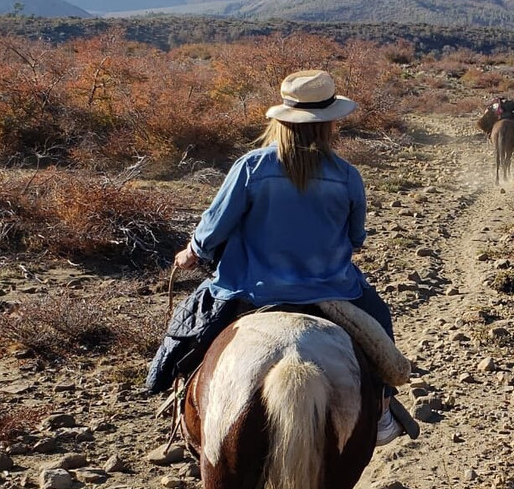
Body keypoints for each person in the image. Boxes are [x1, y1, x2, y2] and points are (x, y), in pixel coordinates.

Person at [145, 69, 406, 445]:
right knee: (380, 320)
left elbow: (214, 227)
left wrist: (192, 252)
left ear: (283, 117)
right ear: (330, 122)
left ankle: (175, 394)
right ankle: (381, 407)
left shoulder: (251, 167)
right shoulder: (347, 176)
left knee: (187, 333)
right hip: (331, 290)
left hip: (249, 289)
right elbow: (356, 238)